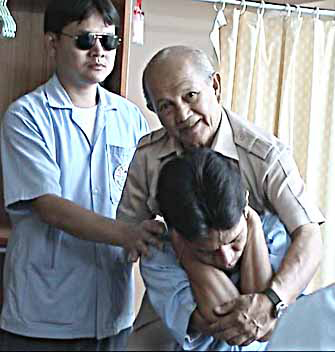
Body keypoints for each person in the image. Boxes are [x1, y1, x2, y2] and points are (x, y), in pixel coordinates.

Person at [117, 45, 325, 350]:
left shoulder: (264, 155)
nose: (183, 115)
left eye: (190, 96)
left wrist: (272, 300)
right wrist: (181, 254)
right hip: (184, 297)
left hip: (263, 288)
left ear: (214, 85)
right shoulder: (148, 158)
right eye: (166, 106)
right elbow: (130, 234)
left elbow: (309, 234)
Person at [0, 1, 163, 351]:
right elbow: (50, 206)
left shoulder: (130, 119)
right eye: (85, 40)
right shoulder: (26, 117)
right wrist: (128, 234)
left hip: (112, 313)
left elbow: (150, 193)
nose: (98, 52)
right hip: (44, 316)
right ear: (52, 43)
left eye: (108, 41)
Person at [139, 147, 291, 351]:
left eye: (235, 240)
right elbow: (233, 325)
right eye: (207, 251)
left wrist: (253, 225)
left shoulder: (272, 232)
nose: (227, 258)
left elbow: (264, 329)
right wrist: (188, 260)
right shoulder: (159, 257)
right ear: (179, 237)